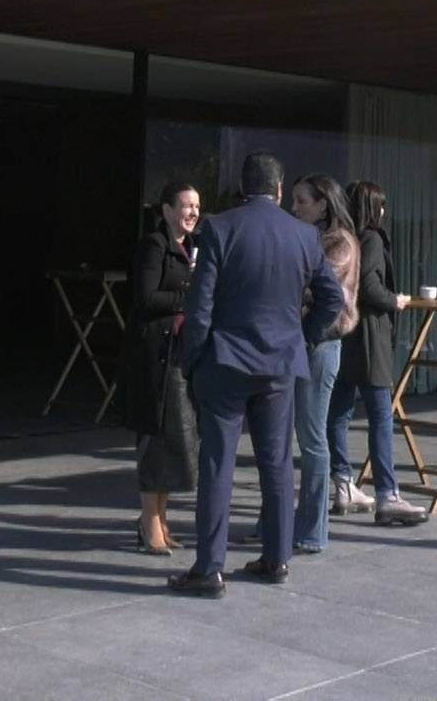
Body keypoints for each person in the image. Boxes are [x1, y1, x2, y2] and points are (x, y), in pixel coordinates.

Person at [169, 153, 344, 597]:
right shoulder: (304, 235)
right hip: (280, 365)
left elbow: (200, 306)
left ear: (242, 186)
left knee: (217, 463)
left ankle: (209, 568)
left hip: (226, 361)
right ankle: (277, 558)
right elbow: (332, 298)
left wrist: (191, 358)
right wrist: (303, 337)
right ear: (280, 189)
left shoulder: (220, 228)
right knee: (277, 463)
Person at [330, 180, 427, 526]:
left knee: (339, 412)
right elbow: (369, 287)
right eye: (381, 205)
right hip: (370, 335)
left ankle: (343, 482)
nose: (384, 211)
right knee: (381, 415)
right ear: (373, 208)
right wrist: (394, 300)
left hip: (346, 333)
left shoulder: (344, 237)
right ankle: (388, 493)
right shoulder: (371, 238)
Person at [122, 182, 202, 556]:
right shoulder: (154, 245)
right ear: (167, 209)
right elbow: (146, 297)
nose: (193, 213)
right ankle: (148, 522)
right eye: (186, 205)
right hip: (155, 356)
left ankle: (161, 520)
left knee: (175, 441)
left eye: (197, 206)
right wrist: (190, 297)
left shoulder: (191, 248)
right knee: (154, 440)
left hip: (179, 355)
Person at [287, 174, 359, 553]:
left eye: (302, 201)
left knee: (312, 437)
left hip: (321, 343)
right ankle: (284, 521)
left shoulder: (339, 242)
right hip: (301, 341)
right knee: (291, 435)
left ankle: (313, 528)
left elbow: (316, 289)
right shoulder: (308, 237)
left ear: (323, 206)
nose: (294, 208)